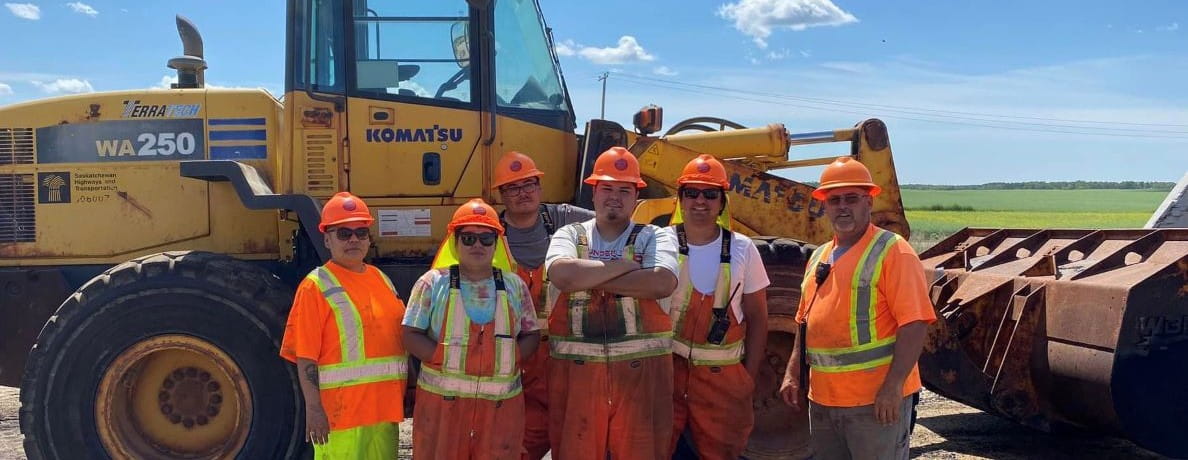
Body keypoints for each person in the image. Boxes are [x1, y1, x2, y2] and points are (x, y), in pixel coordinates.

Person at [778, 157, 937, 460]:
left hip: (875, 403)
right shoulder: (819, 257)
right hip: (824, 402)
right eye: (834, 199)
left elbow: (916, 323)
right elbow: (805, 321)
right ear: (824, 205)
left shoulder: (893, 251)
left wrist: (892, 387)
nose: (842, 207)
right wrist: (792, 373)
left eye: (851, 198)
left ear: (868, 201)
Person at [545, 146, 680, 460]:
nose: (614, 197)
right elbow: (562, 276)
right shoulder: (569, 233)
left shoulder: (656, 236)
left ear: (636, 197)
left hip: (642, 383)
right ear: (593, 193)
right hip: (577, 382)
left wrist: (589, 275)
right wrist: (627, 266)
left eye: (624, 189)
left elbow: (660, 282)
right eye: (607, 188)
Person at [403, 198, 542, 460]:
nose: (477, 245)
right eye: (468, 238)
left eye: (486, 238)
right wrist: (439, 356)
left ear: (497, 243)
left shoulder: (514, 286)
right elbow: (410, 333)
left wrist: (512, 356)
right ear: (455, 242)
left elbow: (531, 334)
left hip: (501, 413)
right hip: (442, 411)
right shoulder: (432, 283)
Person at [280, 191, 408, 459]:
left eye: (361, 232)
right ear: (326, 239)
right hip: (340, 419)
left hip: (383, 415)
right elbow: (305, 358)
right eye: (343, 233)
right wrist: (314, 409)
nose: (353, 239)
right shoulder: (315, 286)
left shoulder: (381, 279)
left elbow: (397, 343)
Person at [662, 155, 769, 459]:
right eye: (691, 193)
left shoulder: (743, 249)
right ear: (680, 199)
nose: (700, 201)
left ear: (722, 202)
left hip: (722, 383)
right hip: (667, 376)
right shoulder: (660, 242)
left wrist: (747, 380)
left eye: (710, 194)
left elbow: (759, 319)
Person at [492, 150, 595, 460]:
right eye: (513, 187)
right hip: (518, 357)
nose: (523, 192)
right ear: (501, 194)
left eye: (529, 184)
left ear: (539, 186)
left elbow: (613, 223)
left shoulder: (564, 218)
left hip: (566, 354)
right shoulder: (490, 233)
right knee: (518, 444)